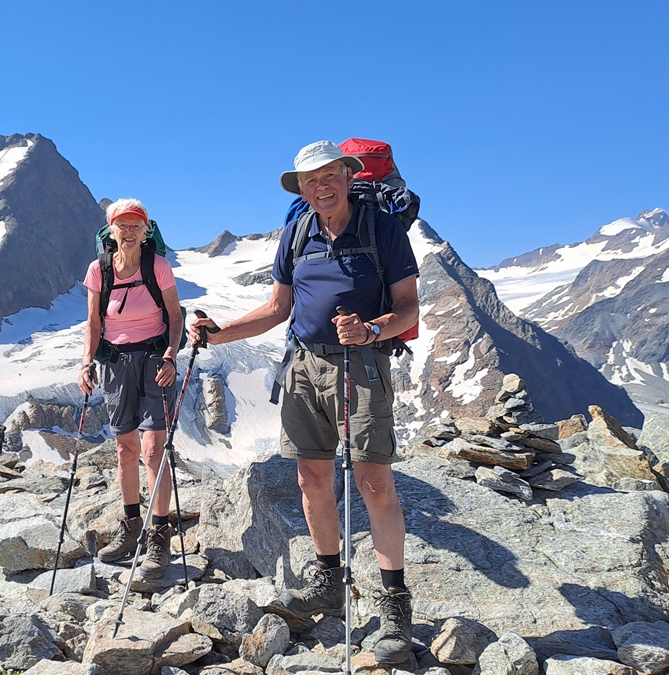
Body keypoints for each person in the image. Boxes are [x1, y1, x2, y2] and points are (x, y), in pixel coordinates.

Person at [189, 141, 419, 663]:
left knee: (373, 480)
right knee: (311, 478)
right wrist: (217, 333)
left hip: (360, 364)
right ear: (302, 189)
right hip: (303, 365)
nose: (321, 187)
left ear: (347, 175)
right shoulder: (298, 232)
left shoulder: (381, 229)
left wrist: (369, 329)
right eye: (310, 181)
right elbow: (277, 308)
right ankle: (327, 578)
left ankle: (395, 602)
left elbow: (407, 309)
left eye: (329, 176)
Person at [78, 198, 184, 581]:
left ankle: (158, 535)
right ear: (110, 231)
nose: (128, 231)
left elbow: (175, 317)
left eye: (135, 225)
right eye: (121, 225)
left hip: (156, 360)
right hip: (116, 362)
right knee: (126, 447)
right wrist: (87, 362)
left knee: (154, 448)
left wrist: (171, 354)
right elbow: (93, 322)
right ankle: (131, 525)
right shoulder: (99, 270)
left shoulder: (158, 267)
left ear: (145, 230)